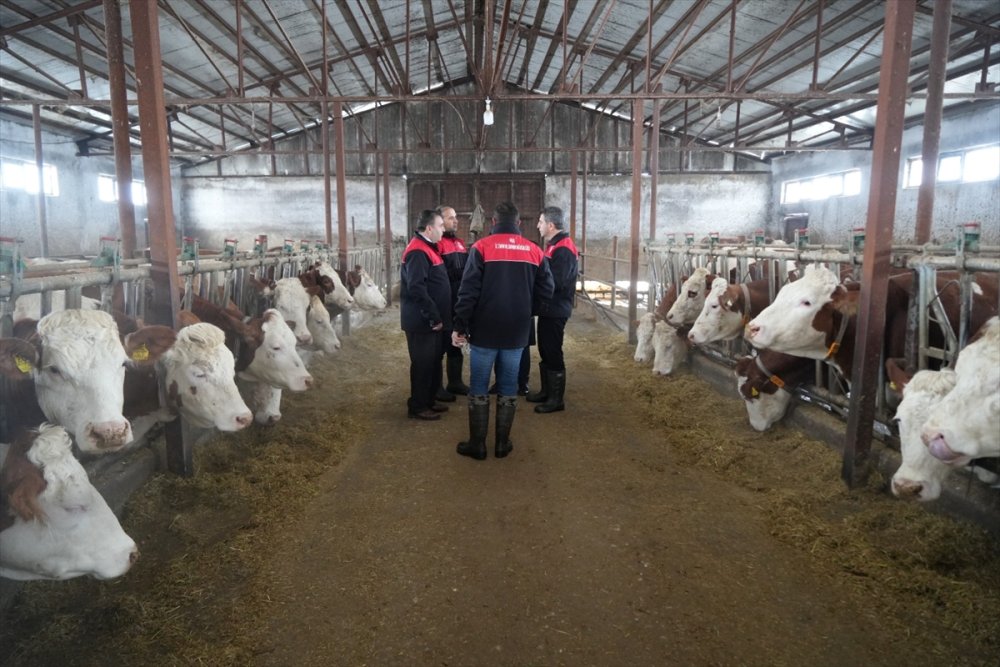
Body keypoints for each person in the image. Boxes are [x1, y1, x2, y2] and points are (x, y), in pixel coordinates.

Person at [451, 201, 554, 460]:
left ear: (493, 223)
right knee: (509, 385)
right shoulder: (534, 250)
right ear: (519, 224)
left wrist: (460, 324)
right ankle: (501, 443)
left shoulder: (481, 248)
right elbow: (547, 290)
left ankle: (478, 444)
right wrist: (528, 310)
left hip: (484, 330)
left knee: (479, 384)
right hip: (517, 330)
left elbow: (468, 290)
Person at [526, 206, 579, 414]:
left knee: (553, 350)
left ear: (550, 225)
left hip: (556, 308)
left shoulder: (563, 248)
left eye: (540, 222)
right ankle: (547, 392)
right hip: (549, 308)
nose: (538, 225)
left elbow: (556, 282)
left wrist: (535, 288)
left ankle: (556, 400)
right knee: (545, 349)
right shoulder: (553, 246)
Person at [400, 209, 451, 421]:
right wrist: (433, 317)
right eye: (440, 226)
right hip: (422, 322)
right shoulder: (418, 252)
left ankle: (429, 399)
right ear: (429, 228)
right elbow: (416, 288)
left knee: (431, 361)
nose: (443, 229)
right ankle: (418, 406)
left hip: (431, 321)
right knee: (422, 364)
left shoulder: (428, 248)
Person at [435, 204, 470, 402]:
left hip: (459, 301)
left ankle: (455, 382)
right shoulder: (437, 244)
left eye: (455, 217)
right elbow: (439, 274)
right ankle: (437, 386)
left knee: (457, 341)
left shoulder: (459, 243)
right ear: (439, 221)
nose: (455, 221)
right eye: (450, 218)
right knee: (440, 345)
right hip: (444, 300)